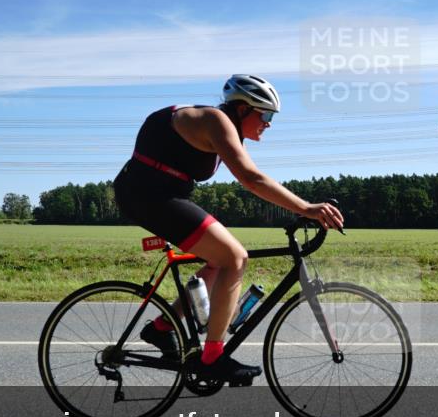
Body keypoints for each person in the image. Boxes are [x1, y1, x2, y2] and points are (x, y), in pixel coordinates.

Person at [113, 74, 344, 384]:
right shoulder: (217, 120)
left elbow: (254, 178)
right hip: (148, 194)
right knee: (235, 257)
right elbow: (252, 179)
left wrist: (302, 208)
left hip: (160, 193)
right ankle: (212, 358)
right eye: (266, 114)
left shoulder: (226, 127)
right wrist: (306, 208)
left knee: (220, 261)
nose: (269, 123)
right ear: (243, 108)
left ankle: (162, 328)